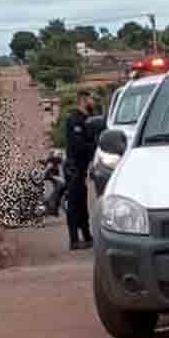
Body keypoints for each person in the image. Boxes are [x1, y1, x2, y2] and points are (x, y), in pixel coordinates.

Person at [64, 90, 96, 250]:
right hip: (74, 167)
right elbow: (78, 146)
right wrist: (95, 146)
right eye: (91, 99)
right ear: (83, 100)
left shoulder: (86, 119)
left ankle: (87, 236)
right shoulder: (75, 119)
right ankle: (74, 240)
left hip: (81, 169)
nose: (94, 102)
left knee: (82, 204)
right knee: (74, 205)